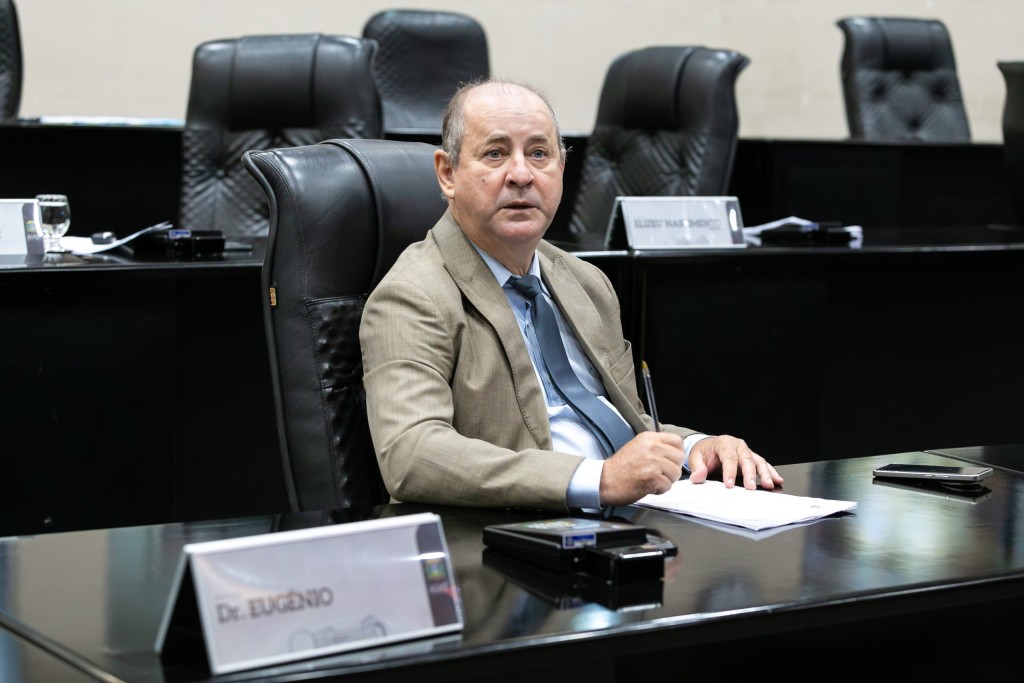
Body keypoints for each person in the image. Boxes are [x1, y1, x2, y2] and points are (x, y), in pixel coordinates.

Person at [359, 79, 783, 511]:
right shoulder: (413, 294)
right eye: (495, 153)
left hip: (633, 516)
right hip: (519, 532)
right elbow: (412, 454)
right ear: (448, 174)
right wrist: (599, 479)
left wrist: (695, 447)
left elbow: (626, 424)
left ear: (561, 169)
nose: (521, 175)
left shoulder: (586, 282)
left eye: (539, 154)